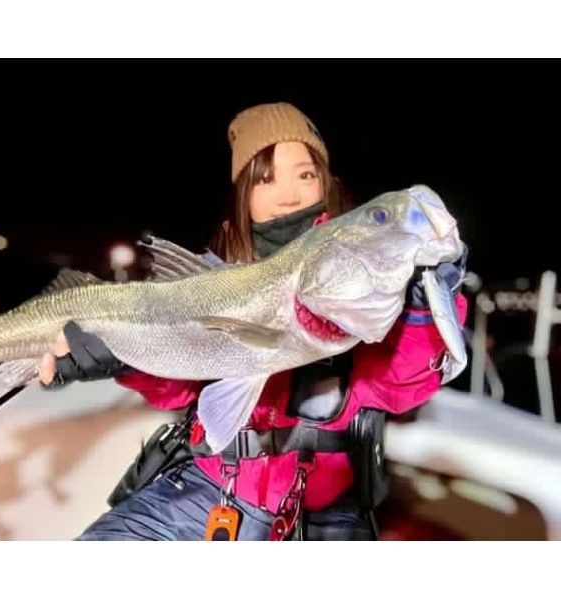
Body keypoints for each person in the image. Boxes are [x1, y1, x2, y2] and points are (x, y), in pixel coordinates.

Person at [39, 102, 468, 540]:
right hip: (207, 488)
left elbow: (400, 384)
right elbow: (181, 387)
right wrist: (124, 357)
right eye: (266, 179)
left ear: (325, 182)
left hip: (323, 510)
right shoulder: (211, 273)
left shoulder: (361, 268)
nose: (290, 194)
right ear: (243, 192)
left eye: (306, 174)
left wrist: (424, 308)